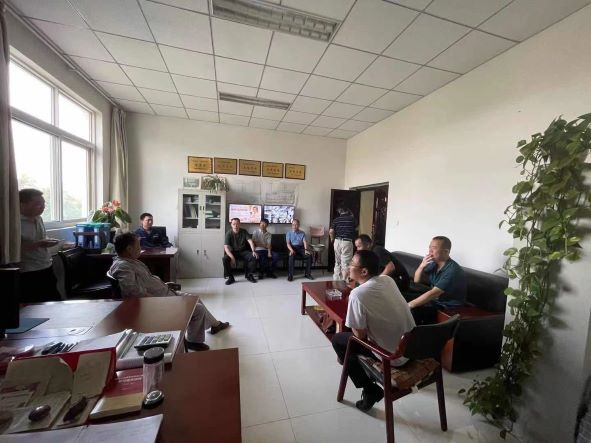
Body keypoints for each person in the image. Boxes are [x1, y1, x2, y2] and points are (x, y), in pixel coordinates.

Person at [109, 233, 229, 351]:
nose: (140, 248)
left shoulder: (131, 261)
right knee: (198, 309)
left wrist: (163, 285)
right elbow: (132, 292)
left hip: (166, 293)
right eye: (138, 245)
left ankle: (215, 325)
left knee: (195, 298)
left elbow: (146, 282)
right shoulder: (123, 266)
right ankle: (194, 341)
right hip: (160, 302)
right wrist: (161, 301)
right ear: (129, 249)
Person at [332, 250, 415, 412]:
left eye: (351, 264)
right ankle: (350, 363)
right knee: (347, 349)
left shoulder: (357, 294)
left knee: (340, 341)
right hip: (413, 347)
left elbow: (360, 335)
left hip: (393, 357)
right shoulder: (387, 280)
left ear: (364, 271)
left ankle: (370, 390)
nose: (348, 267)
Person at [409, 236, 467, 324]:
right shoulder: (434, 264)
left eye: (434, 248)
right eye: (429, 247)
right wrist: (421, 266)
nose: (430, 251)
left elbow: (434, 293)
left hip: (447, 306)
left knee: (412, 310)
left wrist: (408, 305)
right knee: (403, 297)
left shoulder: (453, 271)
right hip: (435, 299)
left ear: (446, 251)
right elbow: (416, 282)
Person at [19, 188, 61, 303]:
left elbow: (41, 238)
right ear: (22, 204)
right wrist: (38, 244)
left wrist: (48, 242)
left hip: (46, 265)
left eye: (43, 203)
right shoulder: (13, 223)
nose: (42, 207)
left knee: (55, 303)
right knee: (33, 306)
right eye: (38, 204)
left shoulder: (39, 218)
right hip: (28, 271)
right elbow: (11, 250)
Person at [223, 218, 258, 285]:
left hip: (243, 251)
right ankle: (231, 278)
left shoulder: (244, 231)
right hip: (233, 252)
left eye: (237, 224)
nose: (235, 226)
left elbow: (250, 241)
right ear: (231, 225)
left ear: (239, 224)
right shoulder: (229, 233)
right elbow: (226, 247)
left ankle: (249, 275)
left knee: (253, 257)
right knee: (225, 259)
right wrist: (232, 258)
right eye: (234, 224)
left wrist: (253, 251)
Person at [329, 208, 356, 281]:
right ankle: (344, 282)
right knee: (346, 263)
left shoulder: (336, 220)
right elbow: (355, 228)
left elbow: (331, 231)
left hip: (337, 241)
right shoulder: (352, 219)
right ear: (348, 211)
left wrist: (332, 239)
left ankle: (336, 281)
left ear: (340, 212)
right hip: (347, 242)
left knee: (337, 262)